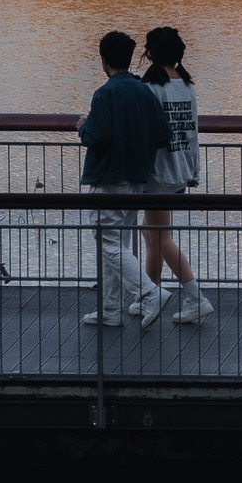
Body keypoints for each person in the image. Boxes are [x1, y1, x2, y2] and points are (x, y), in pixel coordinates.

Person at [79, 29, 172, 327]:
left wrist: (82, 126)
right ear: (130, 59)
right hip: (137, 178)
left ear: (103, 60)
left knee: (108, 242)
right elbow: (163, 134)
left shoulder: (104, 93)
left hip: (110, 176)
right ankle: (110, 309)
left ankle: (149, 293)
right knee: (117, 242)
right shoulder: (145, 91)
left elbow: (96, 135)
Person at [138, 26, 215, 324]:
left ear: (151, 53)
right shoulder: (186, 85)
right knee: (151, 234)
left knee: (160, 237)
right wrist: (193, 170)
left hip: (158, 173)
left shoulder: (151, 88)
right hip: (179, 170)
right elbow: (193, 132)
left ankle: (196, 298)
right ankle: (150, 296)